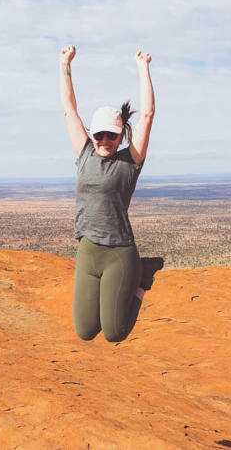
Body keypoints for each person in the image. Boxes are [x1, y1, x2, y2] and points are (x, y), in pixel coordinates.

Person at [58, 46, 163, 343]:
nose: (104, 140)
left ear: (121, 135)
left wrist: (143, 67)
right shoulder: (85, 153)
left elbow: (149, 113)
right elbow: (68, 109)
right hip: (88, 250)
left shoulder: (130, 161)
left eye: (111, 135)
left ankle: (141, 280)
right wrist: (65, 65)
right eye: (99, 134)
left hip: (119, 251)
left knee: (114, 333)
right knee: (86, 331)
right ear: (92, 135)